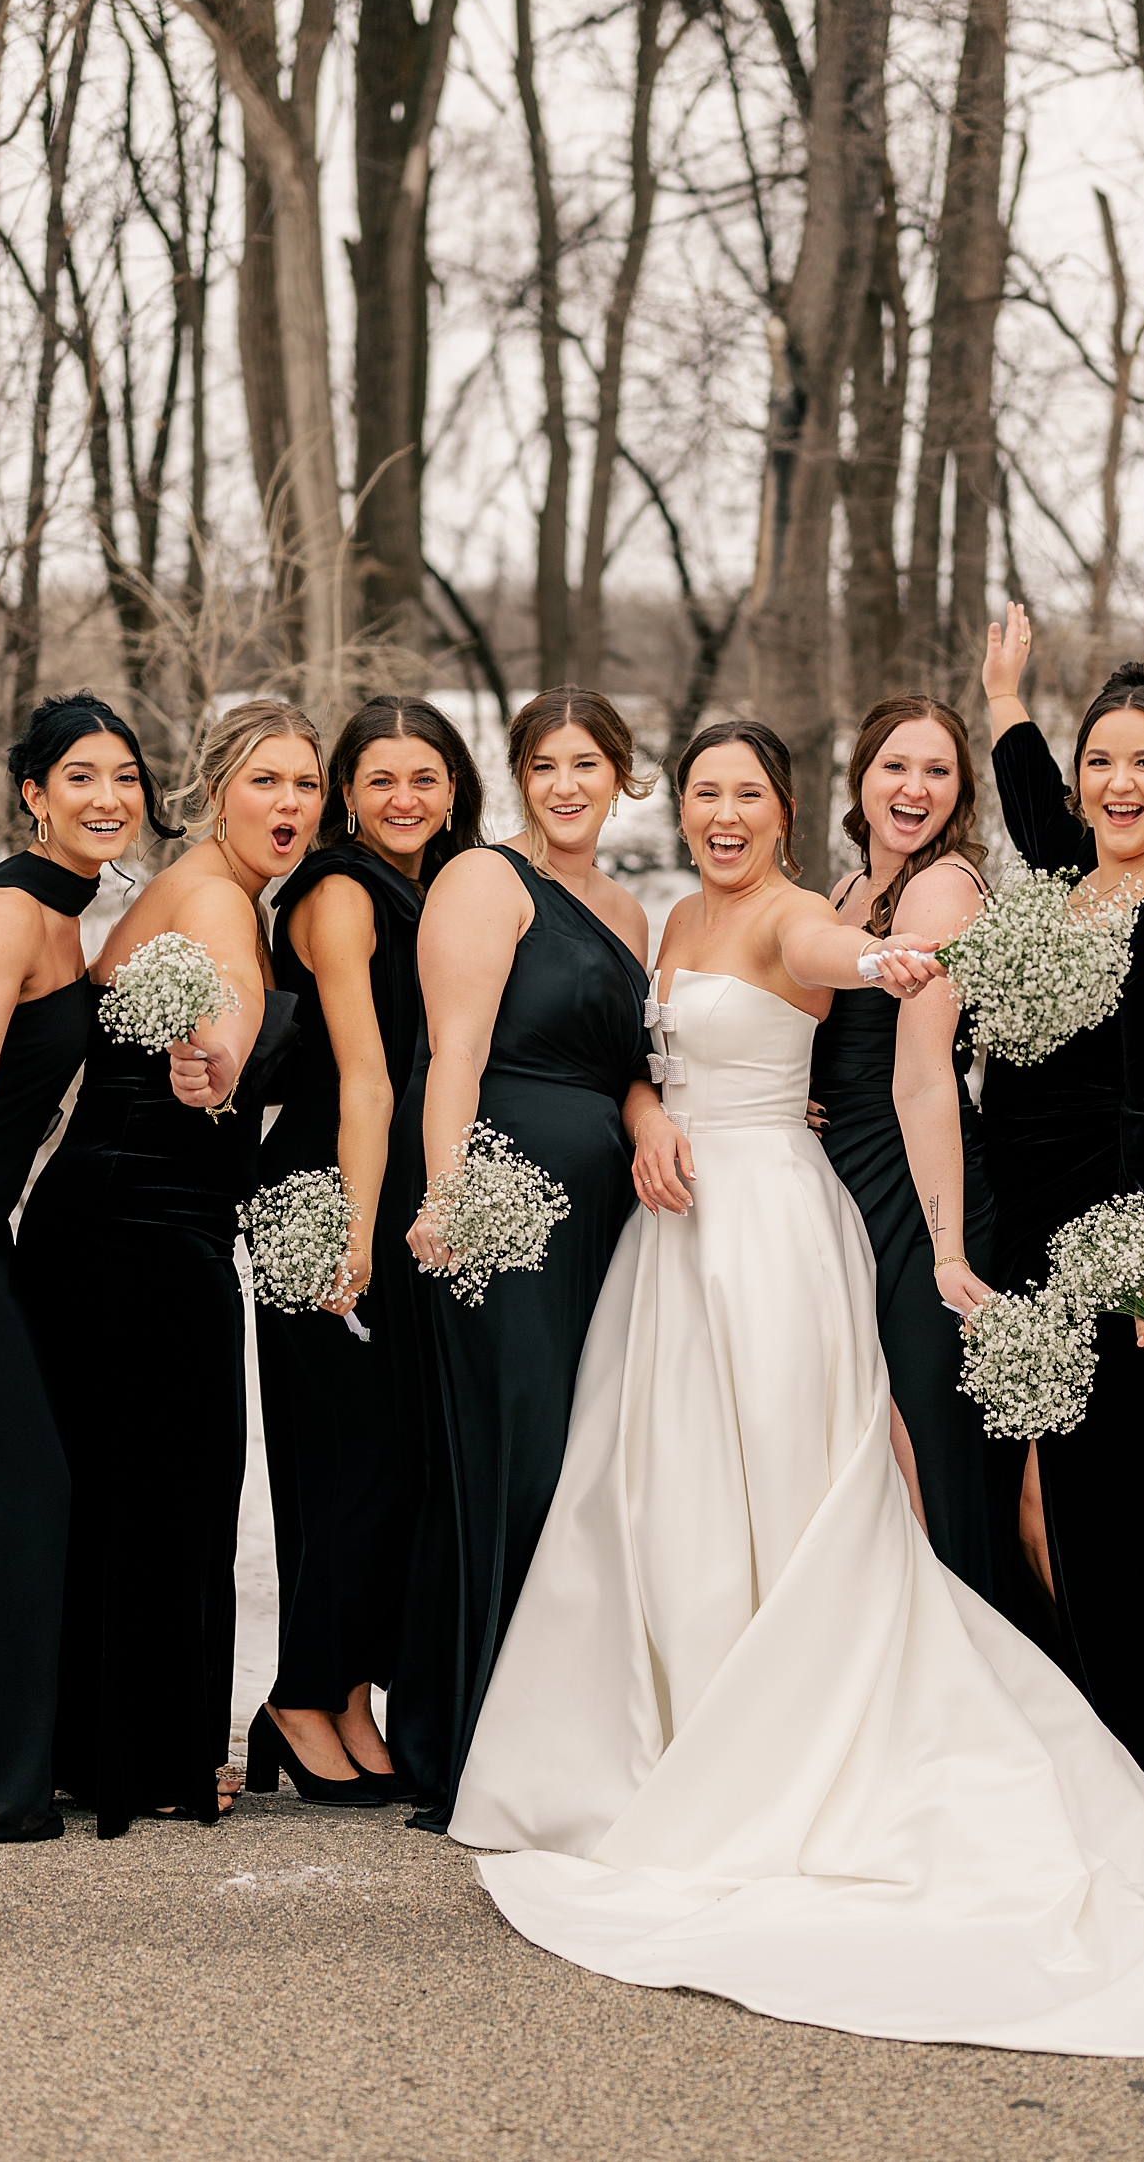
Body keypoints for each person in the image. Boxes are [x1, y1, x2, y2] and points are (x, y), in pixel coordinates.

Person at [446, 718, 1144, 2058]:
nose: (727, 811)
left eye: (749, 792)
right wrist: (1010, 705)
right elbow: (658, 1059)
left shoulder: (877, 911)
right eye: (706, 792)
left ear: (788, 812)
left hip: (859, 1225)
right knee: (681, 1492)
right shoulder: (675, 919)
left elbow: (904, 1001)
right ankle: (676, 1731)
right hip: (694, 1241)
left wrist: (910, 991)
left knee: (912, 1498)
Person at [16, 699, 324, 1838]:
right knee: (165, 1487)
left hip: (135, 1215)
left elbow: (217, 1020)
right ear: (212, 791)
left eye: (304, 785)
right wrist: (225, 1065)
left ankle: (114, 1743)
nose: (289, 805)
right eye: (265, 783)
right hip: (133, 1224)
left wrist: (223, 1057)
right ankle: (140, 1754)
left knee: (142, 1485)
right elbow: (230, 1020)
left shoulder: (208, 892)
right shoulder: (205, 895)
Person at [978, 614, 1144, 1824]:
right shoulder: (1086, 874)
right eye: (1100, 762)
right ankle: (1106, 1771)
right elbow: (1038, 818)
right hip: (1042, 1228)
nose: (1116, 784)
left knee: (1123, 1520)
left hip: (1125, 1235)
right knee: (1067, 1509)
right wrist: (1005, 701)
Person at [389, 687, 655, 1831]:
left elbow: (638, 1070)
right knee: (518, 1459)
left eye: (586, 763)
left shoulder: (631, 913)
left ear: (621, 776)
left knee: (584, 1461)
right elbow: (451, 1058)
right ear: (518, 777)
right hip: (502, 1211)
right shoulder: (485, 881)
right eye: (543, 765)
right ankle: (472, 1737)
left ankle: (564, 1731)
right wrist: (452, 1196)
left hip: (607, 1224)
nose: (564, 785)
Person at [0, 693, 176, 1841]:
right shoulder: (6, 916)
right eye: (80, 777)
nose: (108, 798)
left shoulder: (70, 919)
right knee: (20, 1499)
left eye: (124, 777)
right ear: (31, 794)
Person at [250, 695, 483, 1805]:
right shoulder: (342, 892)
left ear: (454, 788)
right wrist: (355, 1231)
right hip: (332, 1189)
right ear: (348, 792)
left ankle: (345, 1697)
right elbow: (367, 1074)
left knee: (388, 1464)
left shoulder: (450, 884)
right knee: (340, 1461)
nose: (404, 798)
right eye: (381, 778)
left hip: (394, 1189)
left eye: (425, 777)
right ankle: (301, 1697)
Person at [810, 695, 997, 1593]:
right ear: (861, 776)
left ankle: (972, 1678)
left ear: (959, 791)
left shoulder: (941, 887)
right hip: (843, 1175)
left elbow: (922, 1077)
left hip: (919, 1184)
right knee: (865, 1442)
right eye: (895, 765)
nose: (913, 788)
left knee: (926, 1441)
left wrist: (947, 1249)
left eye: (937, 771)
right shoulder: (845, 893)